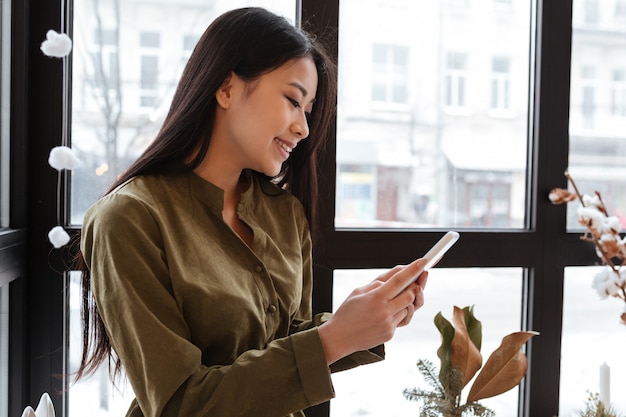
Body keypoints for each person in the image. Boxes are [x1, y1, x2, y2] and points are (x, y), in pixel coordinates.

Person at [75, 7, 428, 417]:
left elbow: (279, 341)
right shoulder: (129, 219)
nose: (304, 128)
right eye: (293, 101)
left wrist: (365, 319)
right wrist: (333, 338)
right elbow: (179, 403)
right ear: (226, 88)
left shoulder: (285, 214)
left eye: (309, 111)